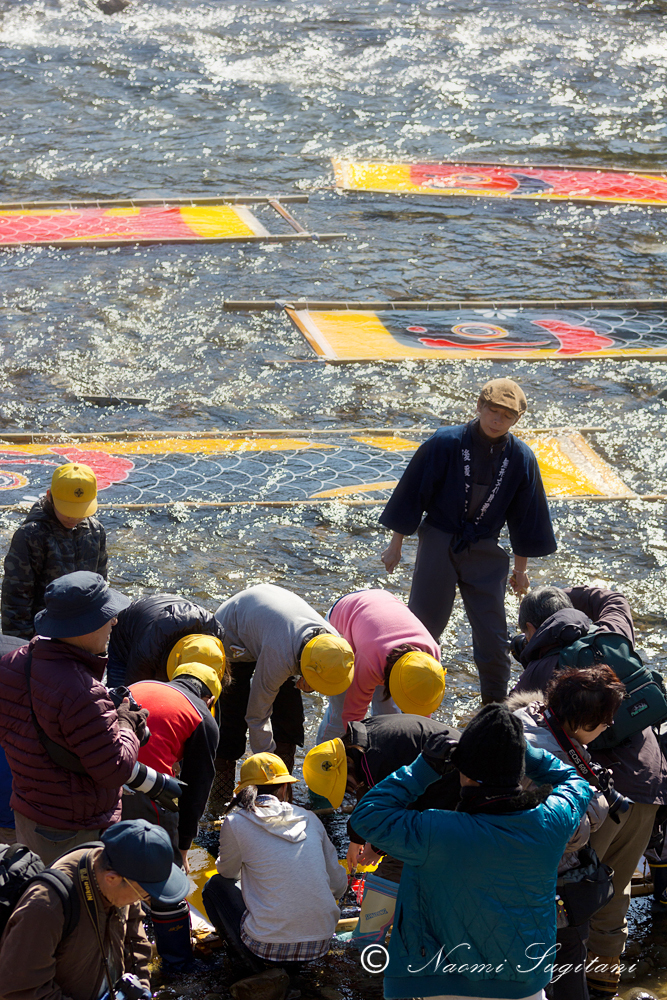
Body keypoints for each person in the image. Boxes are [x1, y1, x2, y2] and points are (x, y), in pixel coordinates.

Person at [351, 703, 592, 1000]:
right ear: (518, 771)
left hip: (437, 983)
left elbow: (367, 816)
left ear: (464, 773)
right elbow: (577, 782)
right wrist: (527, 755)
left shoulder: (433, 831)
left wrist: (422, 768)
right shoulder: (550, 822)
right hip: (523, 986)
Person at [512, 583, 667, 998]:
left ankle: (569, 984)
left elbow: (506, 738)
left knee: (578, 888)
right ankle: (605, 982)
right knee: (617, 887)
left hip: (599, 794)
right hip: (650, 782)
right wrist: (565, 590)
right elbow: (614, 596)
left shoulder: (540, 672)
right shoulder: (610, 632)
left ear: (531, 628)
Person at [379, 377, 556, 703]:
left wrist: (521, 571)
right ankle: (403, 699)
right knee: (422, 628)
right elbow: (412, 494)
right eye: (492, 411)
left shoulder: (521, 459)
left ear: (517, 419)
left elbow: (525, 519)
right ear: (479, 406)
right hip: (439, 540)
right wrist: (396, 544)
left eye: (507, 415)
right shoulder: (444, 442)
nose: (497, 419)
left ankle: (495, 710)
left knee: (493, 637)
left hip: (485, 548)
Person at [0, 571, 148, 864]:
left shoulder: (11, 663)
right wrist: (126, 723)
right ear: (84, 626)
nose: (114, 622)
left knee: (33, 892)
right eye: (107, 616)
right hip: (73, 829)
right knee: (70, 904)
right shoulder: (84, 691)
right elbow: (115, 769)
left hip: (27, 812)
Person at [510, 665, 625, 1000]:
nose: (609, 727)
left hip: (499, 877)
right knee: (567, 980)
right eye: (606, 720)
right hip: (546, 888)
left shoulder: (525, 718)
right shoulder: (554, 756)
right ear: (583, 720)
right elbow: (569, 831)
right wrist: (597, 800)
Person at [303, 714, 460, 947]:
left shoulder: (378, 760)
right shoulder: (360, 744)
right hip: (441, 773)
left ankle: (367, 936)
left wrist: (377, 847)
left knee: (398, 857)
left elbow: (395, 814)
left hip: (452, 786)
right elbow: (371, 793)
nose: (348, 790)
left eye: (345, 786)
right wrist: (356, 838)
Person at [202, 752, 348, 998]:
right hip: (320, 941)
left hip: (268, 947)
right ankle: (292, 972)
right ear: (284, 789)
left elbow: (227, 872)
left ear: (245, 791)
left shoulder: (235, 821)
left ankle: (254, 968)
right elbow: (338, 884)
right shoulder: (310, 818)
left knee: (215, 886)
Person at [0, 818, 190, 1000]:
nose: (144, 900)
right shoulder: (45, 908)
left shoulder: (122, 867)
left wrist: (141, 987)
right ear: (112, 879)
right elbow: (20, 991)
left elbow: (135, 939)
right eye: (144, 894)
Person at [122, 650, 225, 970]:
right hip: (146, 789)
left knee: (116, 860)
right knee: (167, 877)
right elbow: (197, 792)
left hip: (104, 777)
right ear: (209, 699)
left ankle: (122, 941)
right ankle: (178, 961)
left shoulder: (140, 686)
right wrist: (182, 847)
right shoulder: (202, 717)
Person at [213, 583, 354, 802]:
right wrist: (268, 770)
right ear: (304, 668)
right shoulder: (280, 657)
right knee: (231, 724)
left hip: (273, 630)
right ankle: (220, 800)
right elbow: (257, 716)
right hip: (234, 635)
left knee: (290, 722)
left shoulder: (334, 648)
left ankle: (283, 794)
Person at [316, 589, 445, 743]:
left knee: (389, 716)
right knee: (340, 717)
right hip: (345, 617)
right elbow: (351, 716)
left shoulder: (431, 656)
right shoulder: (369, 660)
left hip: (381, 610)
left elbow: (421, 718)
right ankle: (321, 762)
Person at [1, 463, 107, 640]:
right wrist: (21, 645)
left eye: (80, 511)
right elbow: (16, 599)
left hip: (82, 631)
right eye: (67, 511)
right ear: (50, 497)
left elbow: (100, 584)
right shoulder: (30, 535)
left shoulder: (95, 531)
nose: (73, 518)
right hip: (42, 635)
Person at [106, 591, 226, 687]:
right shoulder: (147, 651)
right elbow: (136, 693)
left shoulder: (217, 638)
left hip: (165, 613)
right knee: (120, 696)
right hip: (127, 632)